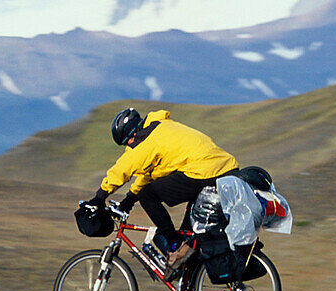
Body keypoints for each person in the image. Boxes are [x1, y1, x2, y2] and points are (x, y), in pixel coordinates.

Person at [86, 107, 239, 270]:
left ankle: (174, 244)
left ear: (134, 132)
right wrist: (129, 199)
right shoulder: (159, 129)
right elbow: (149, 173)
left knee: (147, 195)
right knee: (189, 238)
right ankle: (189, 284)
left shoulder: (146, 140)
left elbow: (122, 169)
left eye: (127, 141)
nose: (128, 146)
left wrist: (99, 198)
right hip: (223, 170)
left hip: (206, 172)